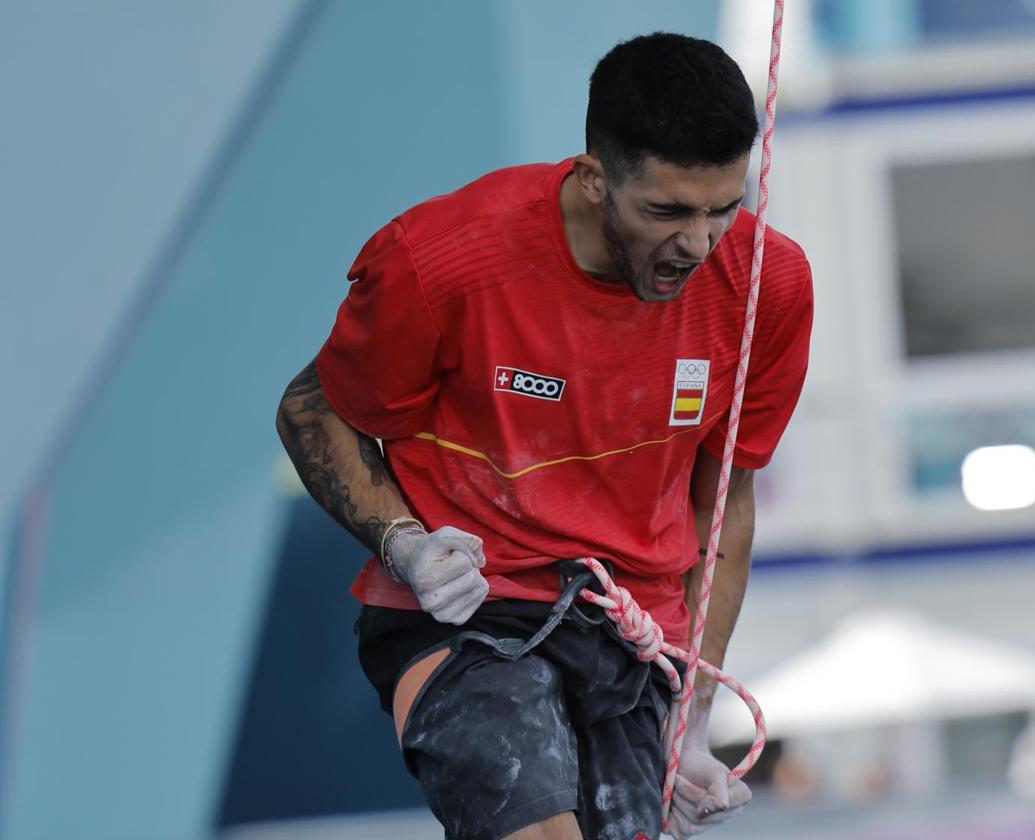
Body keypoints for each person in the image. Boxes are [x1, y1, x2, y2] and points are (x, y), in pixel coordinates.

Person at [276, 31, 813, 840]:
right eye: (665, 210)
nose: (698, 245)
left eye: (722, 209)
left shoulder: (768, 285)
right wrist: (405, 546)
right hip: (469, 613)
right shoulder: (443, 260)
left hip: (634, 627)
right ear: (594, 178)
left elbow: (725, 506)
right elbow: (311, 409)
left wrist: (695, 712)